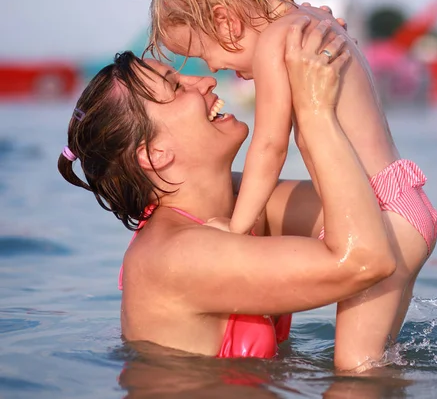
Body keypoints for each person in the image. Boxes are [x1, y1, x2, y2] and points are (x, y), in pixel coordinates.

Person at [147, 0, 437, 371]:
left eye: (200, 51)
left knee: (356, 371)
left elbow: (269, 146)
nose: (209, 68)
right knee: (383, 362)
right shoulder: (315, 23)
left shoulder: (276, 44)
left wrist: (236, 228)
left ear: (225, 21)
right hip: (406, 201)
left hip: (383, 219)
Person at [57, 19, 396, 359]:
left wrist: (317, 42)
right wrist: (315, 112)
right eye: (176, 88)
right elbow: (366, 261)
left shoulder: (240, 202)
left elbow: (384, 209)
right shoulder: (174, 258)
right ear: (154, 154)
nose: (204, 81)